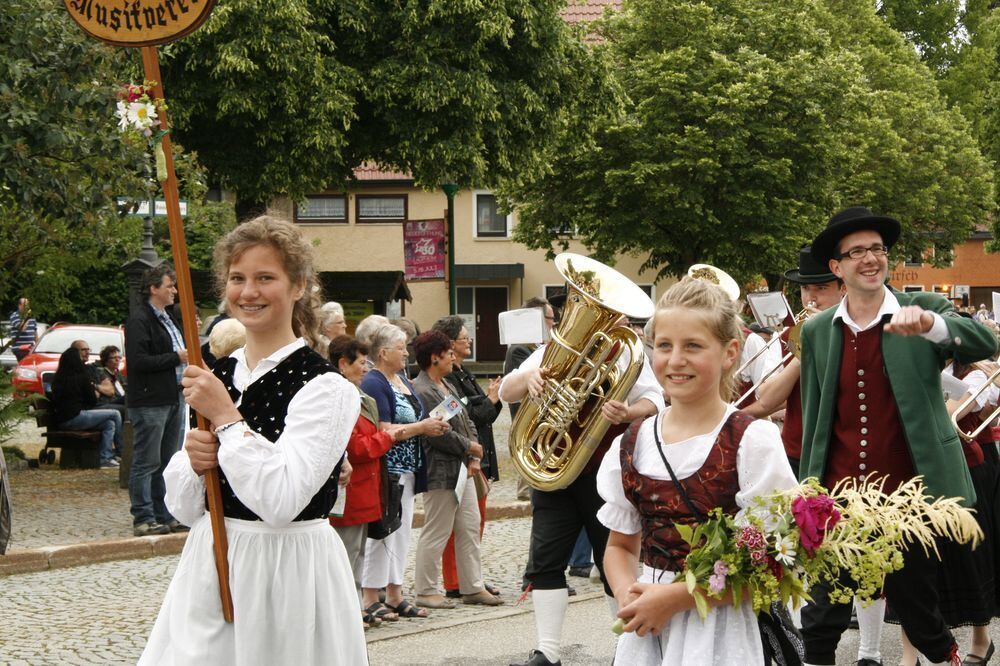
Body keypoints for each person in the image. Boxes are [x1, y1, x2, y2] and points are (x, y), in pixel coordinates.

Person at [140, 215, 367, 665]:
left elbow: (281, 500)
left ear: (298, 286)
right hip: (212, 563)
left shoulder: (327, 387)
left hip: (287, 574)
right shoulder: (214, 375)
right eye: (237, 278)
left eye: (266, 278)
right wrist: (194, 459)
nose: (248, 292)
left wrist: (226, 419)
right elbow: (185, 509)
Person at [798, 206, 999, 666]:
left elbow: (985, 344)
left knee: (920, 612)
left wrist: (934, 327)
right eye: (857, 253)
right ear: (837, 267)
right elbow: (816, 418)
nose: (870, 259)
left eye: (877, 249)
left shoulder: (923, 307)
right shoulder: (816, 331)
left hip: (910, 500)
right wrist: (808, 491)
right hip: (839, 498)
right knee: (822, 616)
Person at [598, 276, 798, 665]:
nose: (675, 360)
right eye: (664, 346)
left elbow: (771, 563)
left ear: (729, 352)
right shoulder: (633, 441)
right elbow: (620, 547)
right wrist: (629, 597)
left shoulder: (751, 441)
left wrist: (675, 599)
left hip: (721, 629)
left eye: (693, 346)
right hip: (649, 629)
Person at [501, 306, 664, 666]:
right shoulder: (555, 348)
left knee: (613, 560)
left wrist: (628, 412)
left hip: (603, 473)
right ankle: (548, 650)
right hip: (553, 471)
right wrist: (528, 380)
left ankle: (626, 650)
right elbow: (505, 390)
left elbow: (656, 400)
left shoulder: (624, 353)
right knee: (544, 562)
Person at [359, 324, 448, 622]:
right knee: (381, 532)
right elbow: (384, 429)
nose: (406, 353)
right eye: (401, 348)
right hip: (388, 469)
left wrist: (431, 422)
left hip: (408, 468)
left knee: (401, 532)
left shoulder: (400, 380)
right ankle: (370, 594)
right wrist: (422, 428)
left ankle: (395, 591)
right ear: (383, 353)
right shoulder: (374, 382)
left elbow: (415, 418)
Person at [411, 330, 502, 608]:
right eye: (448, 352)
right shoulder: (423, 389)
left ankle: (472, 586)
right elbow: (437, 432)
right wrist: (469, 448)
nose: (453, 357)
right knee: (437, 531)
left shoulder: (445, 385)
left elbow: (466, 420)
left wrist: (473, 452)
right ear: (435, 357)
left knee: (470, 527)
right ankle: (425, 590)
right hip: (440, 472)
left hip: (463, 469)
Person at [327, 334, 399, 629]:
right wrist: (387, 437)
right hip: (351, 491)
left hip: (364, 489)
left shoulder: (354, 393)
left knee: (356, 554)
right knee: (345, 556)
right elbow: (357, 447)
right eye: (360, 362)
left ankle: (353, 609)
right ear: (343, 364)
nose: (366, 367)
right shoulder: (340, 396)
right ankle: (346, 613)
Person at [432, 315, 504, 599]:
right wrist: (492, 399)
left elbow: (485, 416)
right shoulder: (447, 378)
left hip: (478, 456)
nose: (469, 340)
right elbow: (469, 416)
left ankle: (471, 577)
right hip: (464, 459)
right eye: (464, 338)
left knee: (475, 524)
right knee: (458, 527)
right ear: (450, 344)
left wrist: (492, 400)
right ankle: (455, 581)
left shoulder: (463, 373)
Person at [125, 263, 189, 537]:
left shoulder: (168, 316)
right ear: (154, 289)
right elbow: (139, 361)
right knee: (147, 461)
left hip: (173, 395)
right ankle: (143, 516)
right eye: (169, 286)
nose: (174, 290)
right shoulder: (140, 320)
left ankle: (165, 514)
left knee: (167, 460)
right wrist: (177, 357)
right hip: (151, 401)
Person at [504, 296, 556, 502]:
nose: (554, 323)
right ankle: (526, 490)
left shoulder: (534, 346)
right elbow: (518, 390)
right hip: (528, 416)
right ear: (538, 319)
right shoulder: (519, 348)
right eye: (551, 318)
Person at [50, 347, 123, 468]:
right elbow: (92, 400)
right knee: (115, 413)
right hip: (75, 417)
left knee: (109, 423)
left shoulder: (58, 378)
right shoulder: (81, 377)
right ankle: (122, 452)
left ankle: (105, 458)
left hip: (62, 420)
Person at [90, 345, 127, 421]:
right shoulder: (100, 372)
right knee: (128, 403)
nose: (117, 360)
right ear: (106, 360)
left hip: (119, 399)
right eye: (114, 358)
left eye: (119, 357)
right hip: (107, 402)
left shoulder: (117, 373)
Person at [8, 297, 38, 361]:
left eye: (28, 305)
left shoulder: (32, 317)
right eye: (25, 305)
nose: (27, 307)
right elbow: (22, 328)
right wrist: (26, 317)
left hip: (30, 348)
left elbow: (35, 332)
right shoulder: (14, 316)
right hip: (19, 349)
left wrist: (37, 346)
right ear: (19, 306)